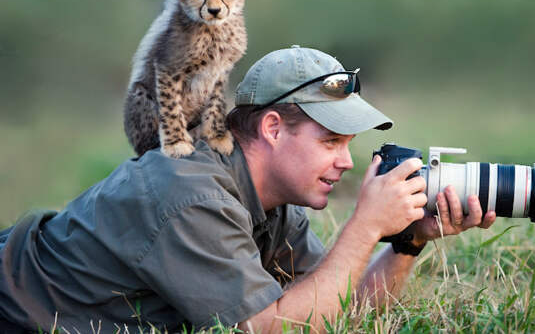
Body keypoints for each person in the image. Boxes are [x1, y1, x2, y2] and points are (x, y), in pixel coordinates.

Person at [0, 46, 496, 333]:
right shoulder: (192, 194)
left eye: (349, 144)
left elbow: (331, 309)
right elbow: (269, 329)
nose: (346, 161)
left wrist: (406, 241)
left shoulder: (274, 201)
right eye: (331, 141)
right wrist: (363, 226)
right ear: (273, 129)